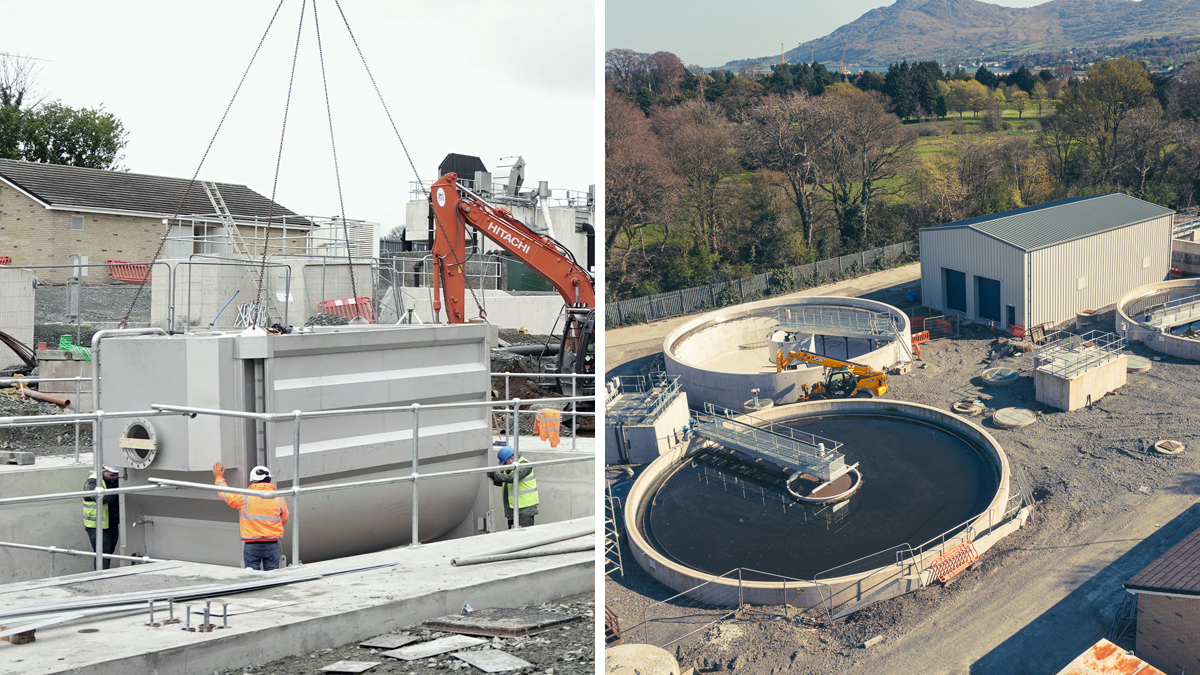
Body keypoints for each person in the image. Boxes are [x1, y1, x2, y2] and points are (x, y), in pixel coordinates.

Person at [212, 462, 289, 570]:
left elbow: (225, 494)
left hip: (251, 545)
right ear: (269, 480)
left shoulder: (245, 497)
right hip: (272, 544)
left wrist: (219, 477)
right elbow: (284, 520)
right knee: (273, 576)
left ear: (253, 480)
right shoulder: (279, 498)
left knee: (252, 576)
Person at [488, 445, 539, 529]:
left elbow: (513, 478)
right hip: (513, 510)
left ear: (511, 458)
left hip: (525, 510)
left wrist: (496, 474)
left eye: (505, 463)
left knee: (524, 537)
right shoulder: (508, 467)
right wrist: (493, 476)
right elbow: (501, 481)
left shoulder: (524, 464)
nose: (504, 466)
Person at [83, 466, 120, 570]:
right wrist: (118, 493)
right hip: (97, 526)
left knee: (108, 554)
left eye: (116, 475)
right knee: (102, 555)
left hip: (112, 524)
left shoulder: (115, 480)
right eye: (112, 475)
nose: (114, 478)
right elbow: (96, 496)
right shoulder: (94, 481)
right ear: (104, 471)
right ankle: (101, 577)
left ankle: (104, 575)